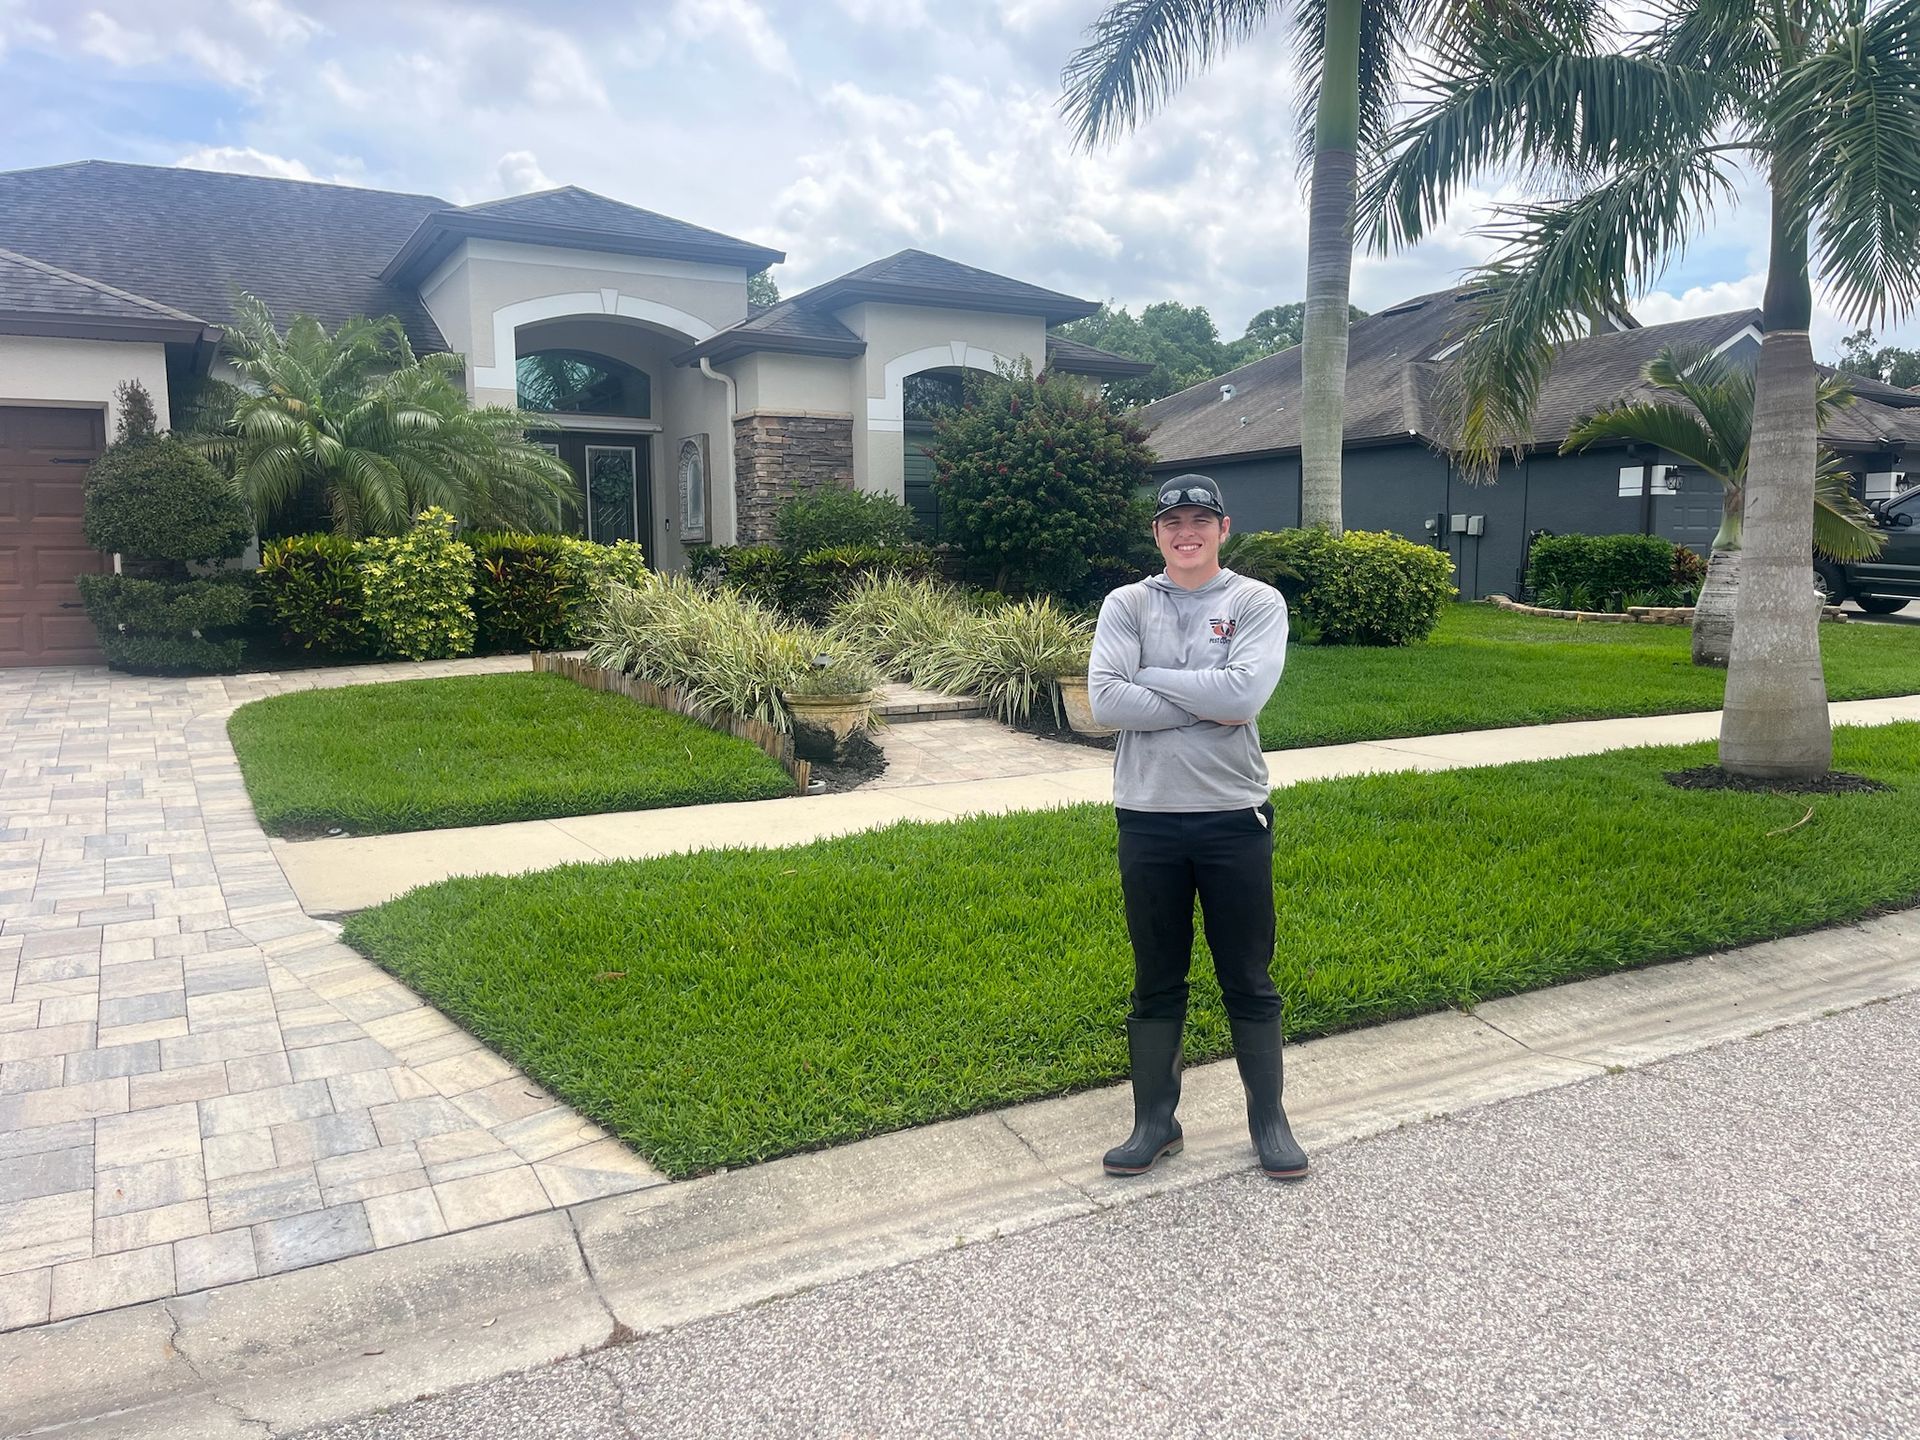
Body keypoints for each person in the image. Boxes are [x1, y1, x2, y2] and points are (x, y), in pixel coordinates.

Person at [1087, 473, 1307, 1182]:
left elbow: (1244, 695)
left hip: (1232, 814)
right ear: (1157, 533)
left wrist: (1151, 676)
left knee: (1248, 973)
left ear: (1223, 528)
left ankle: (1269, 1121)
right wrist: (1208, 699)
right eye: (1173, 522)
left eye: (1200, 521)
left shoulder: (1254, 601)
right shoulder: (1126, 603)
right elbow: (1106, 703)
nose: (1187, 533)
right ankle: (1156, 1124)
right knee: (1156, 976)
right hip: (1147, 815)